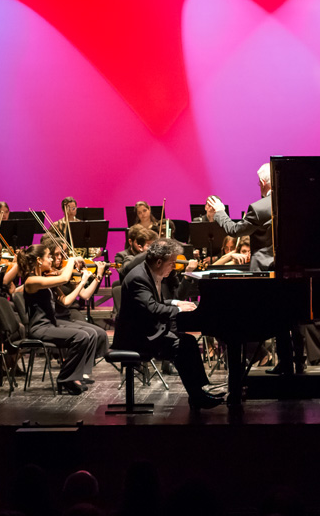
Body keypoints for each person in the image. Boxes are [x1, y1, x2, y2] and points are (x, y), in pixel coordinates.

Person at [208, 162, 304, 378]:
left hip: (267, 273)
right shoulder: (295, 203)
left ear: (262, 183)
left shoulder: (260, 207)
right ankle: (295, 363)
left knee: (277, 321)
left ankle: (285, 365)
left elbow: (234, 230)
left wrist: (221, 213)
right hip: (293, 271)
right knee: (293, 318)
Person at [111, 238, 222, 410]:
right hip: (135, 338)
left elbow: (155, 303)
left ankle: (198, 392)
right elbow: (152, 308)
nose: (174, 266)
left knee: (189, 341)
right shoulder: (139, 278)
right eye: (172, 263)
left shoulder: (151, 273)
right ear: (159, 262)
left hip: (147, 332)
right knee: (181, 346)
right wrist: (179, 310)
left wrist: (176, 303)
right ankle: (197, 396)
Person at [18, 245, 97, 394]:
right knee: (81, 337)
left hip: (50, 325)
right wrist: (72, 259)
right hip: (39, 328)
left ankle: (71, 377)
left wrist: (81, 280)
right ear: (39, 261)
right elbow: (64, 278)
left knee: (87, 334)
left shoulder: (45, 277)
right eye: (49, 256)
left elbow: (66, 301)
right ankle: (66, 378)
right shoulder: (31, 281)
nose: (52, 259)